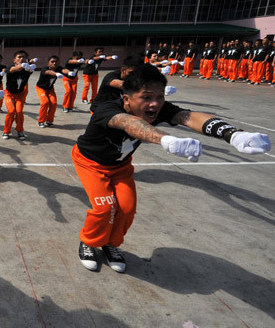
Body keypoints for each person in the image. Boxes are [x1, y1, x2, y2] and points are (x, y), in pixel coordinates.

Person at [72, 64, 270, 273]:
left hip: (120, 167)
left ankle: (110, 244)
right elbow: (128, 123)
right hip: (90, 163)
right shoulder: (107, 109)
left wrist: (232, 134)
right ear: (127, 98)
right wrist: (164, 139)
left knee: (127, 208)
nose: (154, 104)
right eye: (146, 97)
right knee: (105, 207)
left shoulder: (158, 108)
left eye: (159, 97)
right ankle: (89, 242)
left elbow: (188, 116)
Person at [2, 50, 34, 140]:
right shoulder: (10, 68)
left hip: (20, 94)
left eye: (23, 57)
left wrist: (30, 67)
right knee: (11, 111)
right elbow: (13, 69)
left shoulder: (28, 70)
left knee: (19, 112)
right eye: (19, 57)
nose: (21, 58)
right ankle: (6, 131)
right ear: (14, 60)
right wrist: (22, 66)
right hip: (9, 94)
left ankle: (20, 130)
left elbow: (30, 69)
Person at [35, 55, 69, 127]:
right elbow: (48, 72)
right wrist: (56, 73)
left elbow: (64, 70)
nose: (54, 63)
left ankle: (49, 120)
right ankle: (41, 121)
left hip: (50, 89)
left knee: (53, 103)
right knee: (45, 102)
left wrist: (69, 72)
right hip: (41, 88)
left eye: (56, 62)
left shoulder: (59, 68)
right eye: (52, 62)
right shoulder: (45, 69)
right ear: (48, 63)